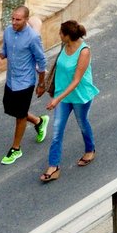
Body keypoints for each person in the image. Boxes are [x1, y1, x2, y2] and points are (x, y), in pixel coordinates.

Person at [40, 19, 98, 182]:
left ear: (67, 36)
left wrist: (56, 99)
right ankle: (54, 166)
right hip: (62, 95)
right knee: (57, 130)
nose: (58, 35)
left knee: (82, 122)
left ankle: (90, 149)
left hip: (79, 96)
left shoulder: (84, 51)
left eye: (60, 33)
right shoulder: (64, 46)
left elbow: (76, 80)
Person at [0, 5, 49, 165]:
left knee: (19, 116)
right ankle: (39, 121)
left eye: (18, 19)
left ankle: (16, 149)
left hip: (25, 83)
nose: (14, 22)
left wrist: (41, 84)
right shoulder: (8, 32)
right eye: (13, 18)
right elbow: (4, 50)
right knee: (12, 110)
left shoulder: (32, 37)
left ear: (26, 19)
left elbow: (41, 61)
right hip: (11, 80)